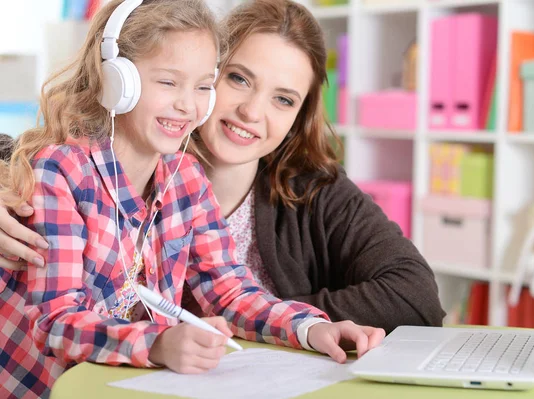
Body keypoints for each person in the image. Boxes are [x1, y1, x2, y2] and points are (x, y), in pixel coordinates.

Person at [0, 1, 384, 398]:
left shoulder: (186, 178)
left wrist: (311, 328)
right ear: (117, 79)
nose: (188, 105)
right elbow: (55, 321)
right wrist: (158, 343)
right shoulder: (62, 173)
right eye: (168, 82)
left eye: (203, 86)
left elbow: (230, 290)